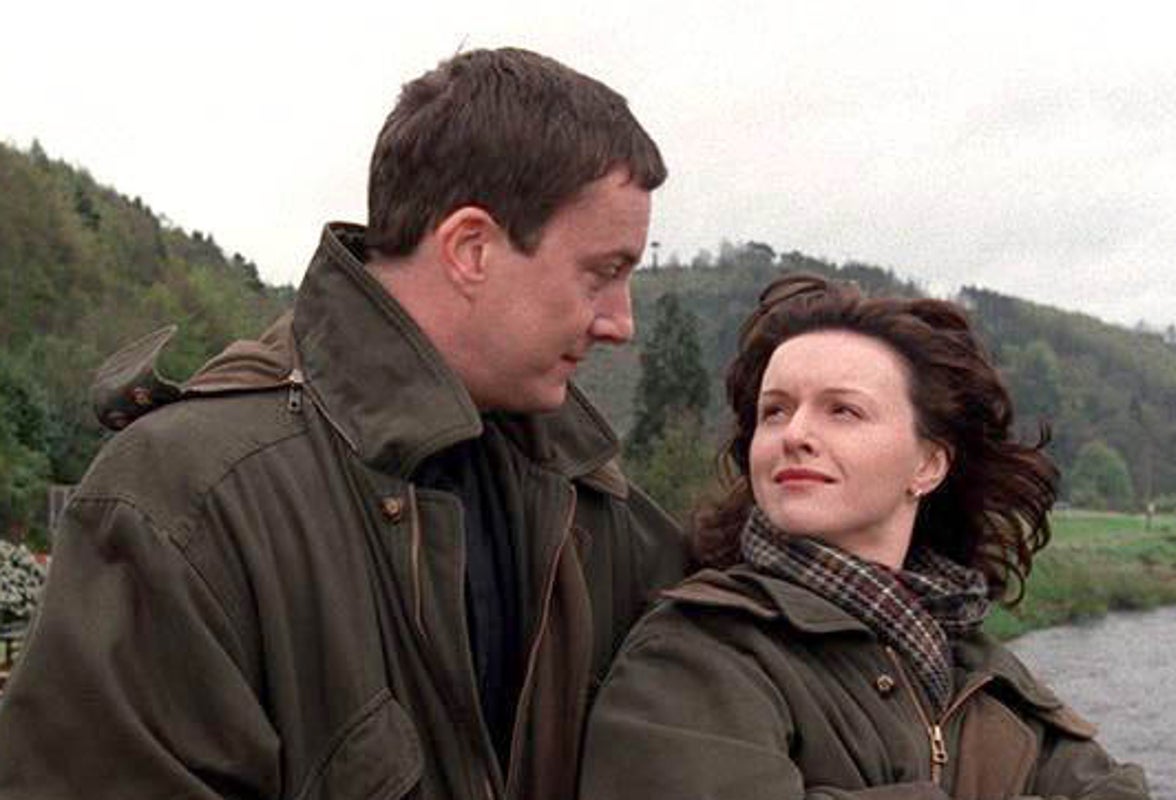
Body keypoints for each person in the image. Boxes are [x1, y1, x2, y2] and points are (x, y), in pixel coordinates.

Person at [0, 48, 687, 800]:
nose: (621, 322)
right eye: (602, 273)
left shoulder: (585, 495)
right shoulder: (187, 499)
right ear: (471, 249)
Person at [580, 274, 1150, 799]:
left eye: (843, 411)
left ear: (928, 465)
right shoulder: (696, 654)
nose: (794, 434)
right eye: (774, 412)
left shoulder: (975, 668)